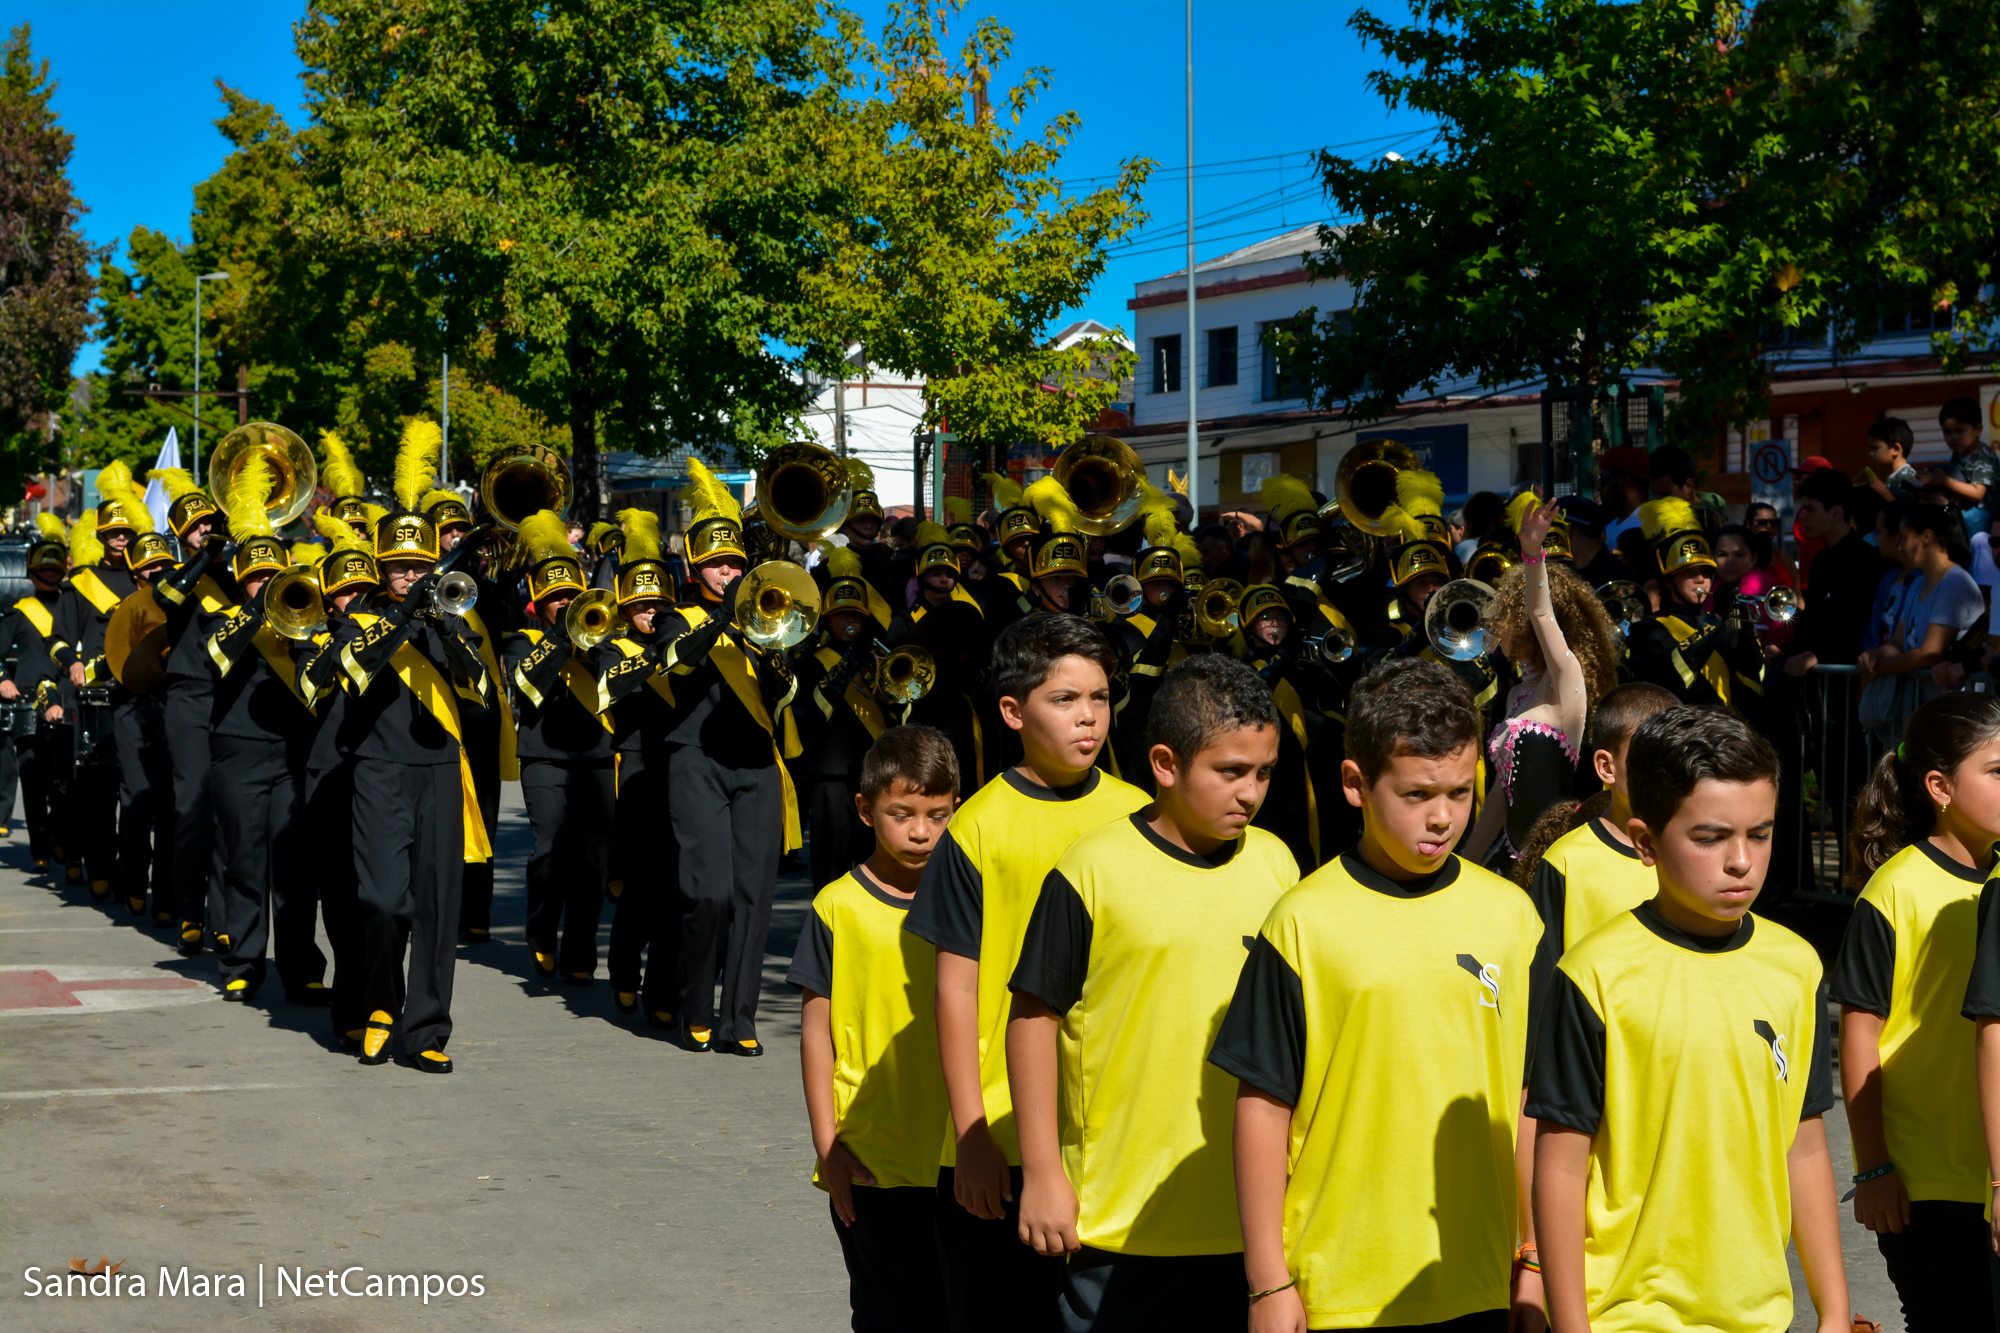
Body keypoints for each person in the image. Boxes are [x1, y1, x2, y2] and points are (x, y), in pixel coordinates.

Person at [1212, 657, 1550, 1333]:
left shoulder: (1513, 916)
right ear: (1356, 784)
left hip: (1478, 1272)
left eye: (1460, 792)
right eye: (1418, 794)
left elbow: (1528, 1099)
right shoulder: (1301, 920)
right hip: (1340, 1283)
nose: (1443, 817)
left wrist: (1534, 1257)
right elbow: (1262, 1106)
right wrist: (1266, 1280)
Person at [1529, 706, 1849, 1333]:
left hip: (1759, 1315)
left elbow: (1804, 1144)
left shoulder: (1797, 966)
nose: (1741, 861)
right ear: (1645, 843)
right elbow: (1560, 1165)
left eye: (1760, 833)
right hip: (1627, 1315)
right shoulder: (1594, 975)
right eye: (1710, 837)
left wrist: (1834, 1309)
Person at [1007, 655, 1297, 1330]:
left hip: (1248, 1219)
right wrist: (1044, 1172)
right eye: (1230, 771)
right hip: (1118, 1218)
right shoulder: (1092, 868)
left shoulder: (1279, 864)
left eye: (1263, 772)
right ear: (1166, 764)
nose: (1250, 792)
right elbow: (1032, 1018)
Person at [903, 612, 1147, 1332]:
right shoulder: (976, 828)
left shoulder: (1139, 815)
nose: (1089, 718)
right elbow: (956, 988)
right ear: (1013, 711)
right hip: (1005, 1137)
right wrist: (971, 1133)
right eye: (1065, 700)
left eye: (1100, 698)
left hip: (1115, 1132)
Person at [293, 437, 494, 1072]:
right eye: (401, 567)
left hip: (438, 774)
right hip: (377, 772)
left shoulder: (453, 621)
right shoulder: (359, 625)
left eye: (420, 566)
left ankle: (428, 1030)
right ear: (382, 570)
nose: (413, 575)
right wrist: (403, 617)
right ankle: (382, 1004)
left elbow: (483, 692)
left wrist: (447, 632)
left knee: (437, 913)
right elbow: (346, 672)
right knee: (381, 901)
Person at [1825, 695, 1999, 1328]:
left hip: (1992, 1169)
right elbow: (1860, 1036)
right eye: (1998, 771)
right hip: (1926, 1181)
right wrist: (1872, 1166)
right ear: (1940, 786)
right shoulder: (1895, 890)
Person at [787, 725, 959, 1333]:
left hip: (961, 1154)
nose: (920, 832)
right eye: (902, 813)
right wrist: (826, 1146)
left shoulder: (973, 906)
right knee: (887, 1312)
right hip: (871, 1157)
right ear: (865, 810)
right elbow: (816, 1033)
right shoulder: (838, 906)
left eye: (938, 815)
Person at [653, 459, 802, 1057]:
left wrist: (767, 645)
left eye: (736, 564)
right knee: (707, 892)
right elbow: (676, 662)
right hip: (696, 761)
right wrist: (724, 615)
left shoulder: (766, 624)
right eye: (718, 564)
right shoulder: (676, 618)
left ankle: (739, 1019)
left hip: (756, 766)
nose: (729, 572)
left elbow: (784, 696)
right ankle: (694, 1003)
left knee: (753, 897)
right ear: (696, 569)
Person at [202, 507, 325, 1005]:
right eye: (255, 577)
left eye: (273, 576)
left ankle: (301, 969)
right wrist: (258, 611)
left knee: (295, 870)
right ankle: (243, 964)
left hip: (294, 753)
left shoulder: (304, 617)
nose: (266, 583)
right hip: (239, 753)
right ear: (240, 583)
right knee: (245, 862)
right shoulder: (224, 621)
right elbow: (215, 656)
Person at [1461, 498, 1617, 865]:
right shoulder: (1518, 692)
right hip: (1515, 862)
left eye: (1505, 616)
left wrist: (1532, 555)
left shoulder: (1566, 677)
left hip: (1556, 864)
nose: (1497, 626)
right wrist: (1466, 861)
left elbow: (1540, 609)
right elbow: (1502, 796)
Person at [504, 510, 616, 987]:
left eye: (573, 596)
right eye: (556, 599)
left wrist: (592, 639)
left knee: (592, 860)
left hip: (595, 758)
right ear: (539, 604)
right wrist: (560, 636)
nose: (566, 604)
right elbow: (528, 685)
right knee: (550, 853)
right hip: (544, 757)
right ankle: (541, 932)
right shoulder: (521, 641)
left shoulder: (602, 638)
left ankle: (580, 954)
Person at [1514, 682, 1676, 947]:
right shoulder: (1565, 861)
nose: (1666, 774)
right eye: (1649, 759)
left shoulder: (1692, 850)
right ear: (1606, 767)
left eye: (1677, 758)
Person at [145, 467, 234, 944]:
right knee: (192, 808)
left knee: (227, 810)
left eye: (212, 523)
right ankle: (188, 914)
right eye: (198, 526)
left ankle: (221, 920)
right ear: (181, 534)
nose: (207, 529)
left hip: (231, 697)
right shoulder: (177, 573)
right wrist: (210, 553)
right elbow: (167, 598)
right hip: (190, 696)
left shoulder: (238, 571)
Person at [1856, 503, 1984, 747]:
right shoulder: (1918, 584)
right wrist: (1873, 655)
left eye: (1904, 538)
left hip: (1953, 719)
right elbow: (1897, 641)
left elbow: (1930, 653)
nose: (1901, 546)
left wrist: (1878, 667)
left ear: (1926, 537)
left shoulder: (1954, 583)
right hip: (1922, 713)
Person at [0, 519, 67, 869]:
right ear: (32, 571)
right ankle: (40, 847)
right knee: (33, 777)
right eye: (44, 568)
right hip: (27, 700)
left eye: (55, 568)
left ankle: (59, 835)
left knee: (66, 781)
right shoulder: (20, 611)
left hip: (67, 697)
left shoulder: (74, 606)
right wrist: (2, 679)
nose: (50, 574)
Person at [1780, 471, 1892, 677]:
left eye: (1810, 509)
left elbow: (1856, 626)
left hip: (1849, 682)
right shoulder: (1820, 559)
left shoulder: (1867, 560)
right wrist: (1785, 651)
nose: (1802, 516)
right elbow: (1813, 621)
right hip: (1818, 682)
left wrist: (1817, 655)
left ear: (1836, 513)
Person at [1924, 397, 1994, 540]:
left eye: (1960, 431)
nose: (1953, 437)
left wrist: (1944, 481)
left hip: (1985, 516)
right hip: (1967, 512)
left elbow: (1978, 493)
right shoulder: (1958, 454)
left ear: (1978, 430)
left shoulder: (1983, 456)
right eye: (1948, 432)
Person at [1860, 418, 1924, 508]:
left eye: (1875, 448)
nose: (1871, 453)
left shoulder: (1907, 478)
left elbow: (1905, 512)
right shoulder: (1894, 477)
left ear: (1895, 449)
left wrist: (1882, 491)